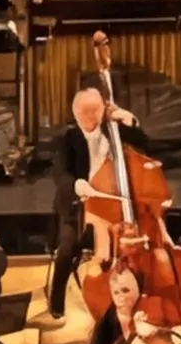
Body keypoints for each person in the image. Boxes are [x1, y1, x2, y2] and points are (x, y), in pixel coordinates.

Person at [45, 71, 157, 323]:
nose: (90, 117)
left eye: (94, 111)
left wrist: (129, 121)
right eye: (84, 112)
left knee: (128, 246)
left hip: (111, 206)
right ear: (75, 114)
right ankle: (56, 301)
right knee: (67, 250)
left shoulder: (114, 132)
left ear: (102, 110)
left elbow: (145, 146)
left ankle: (130, 297)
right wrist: (77, 184)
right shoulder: (66, 140)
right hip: (78, 208)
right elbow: (60, 175)